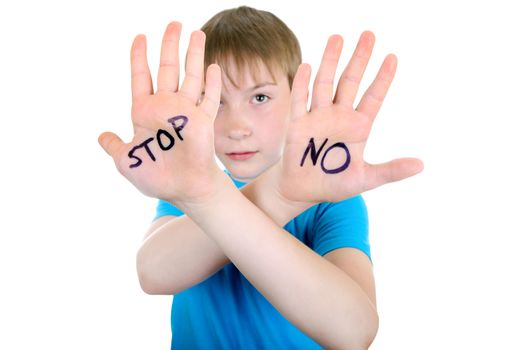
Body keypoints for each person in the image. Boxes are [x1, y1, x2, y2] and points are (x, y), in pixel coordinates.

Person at [98, 6, 423, 349]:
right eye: (216, 101)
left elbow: (353, 332)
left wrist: (274, 197)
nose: (238, 127)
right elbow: (153, 273)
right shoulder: (190, 187)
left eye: (260, 97)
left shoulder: (330, 200)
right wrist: (269, 196)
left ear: (299, 96)